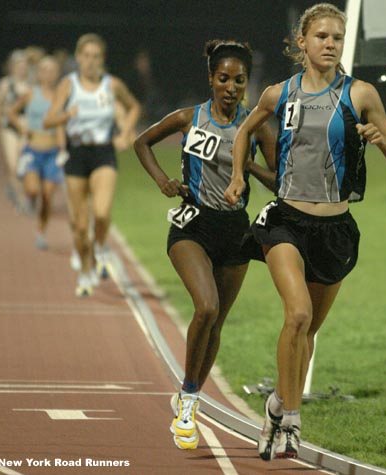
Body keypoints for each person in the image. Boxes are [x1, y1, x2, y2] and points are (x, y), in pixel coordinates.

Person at [224, 3, 386, 460]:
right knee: (298, 315)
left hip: (335, 229)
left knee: (307, 334)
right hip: (286, 221)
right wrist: (237, 177)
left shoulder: (360, 94)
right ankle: (291, 419)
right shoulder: (278, 93)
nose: (330, 44)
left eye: (337, 38)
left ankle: (274, 404)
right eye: (322, 36)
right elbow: (244, 131)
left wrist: (379, 137)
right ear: (301, 42)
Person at [133, 39, 276, 450]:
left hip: (235, 231)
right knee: (206, 306)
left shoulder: (256, 126)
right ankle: (190, 400)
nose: (231, 87)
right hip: (192, 225)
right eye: (224, 79)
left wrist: (245, 162)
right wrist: (163, 181)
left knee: (217, 323)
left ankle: (189, 394)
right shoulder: (187, 118)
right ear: (211, 79)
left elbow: (279, 179)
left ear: (247, 83)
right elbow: (141, 142)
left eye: (239, 80)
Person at [44, 33, 140, 297]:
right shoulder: (68, 85)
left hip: (103, 153)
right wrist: (67, 115)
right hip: (76, 154)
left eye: (95, 56)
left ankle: (99, 247)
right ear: (78, 58)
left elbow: (133, 107)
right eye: (85, 56)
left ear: (102, 59)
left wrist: (124, 133)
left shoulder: (112, 85)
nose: (90, 61)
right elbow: (49, 120)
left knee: (101, 213)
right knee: (79, 224)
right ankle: (86, 270)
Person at [8, 55, 65, 250]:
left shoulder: (61, 95)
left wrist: (64, 144)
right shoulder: (31, 94)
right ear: (39, 73)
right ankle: (30, 199)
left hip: (52, 152)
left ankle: (41, 232)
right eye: (45, 70)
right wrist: (22, 127)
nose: (49, 74)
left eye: (52, 70)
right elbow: (12, 112)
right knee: (33, 190)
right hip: (33, 150)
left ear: (57, 74)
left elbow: (65, 121)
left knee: (48, 197)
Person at [0, 49, 31, 210]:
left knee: (24, 164)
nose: (22, 67)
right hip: (9, 127)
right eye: (18, 64)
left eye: (24, 64)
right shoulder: (6, 84)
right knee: (13, 163)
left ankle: (20, 190)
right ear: (12, 66)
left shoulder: (32, 84)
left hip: (26, 128)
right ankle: (21, 199)